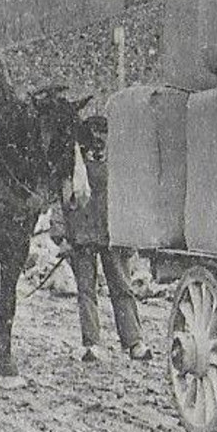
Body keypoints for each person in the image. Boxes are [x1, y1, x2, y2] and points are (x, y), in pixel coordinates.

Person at [51, 115, 152, 363]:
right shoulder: (71, 166)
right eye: (94, 134)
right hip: (81, 237)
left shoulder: (119, 164)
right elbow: (59, 202)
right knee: (86, 291)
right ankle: (92, 344)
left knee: (122, 288)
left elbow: (129, 201)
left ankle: (134, 342)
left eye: (104, 134)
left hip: (113, 236)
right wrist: (60, 236)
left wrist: (131, 235)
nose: (99, 140)